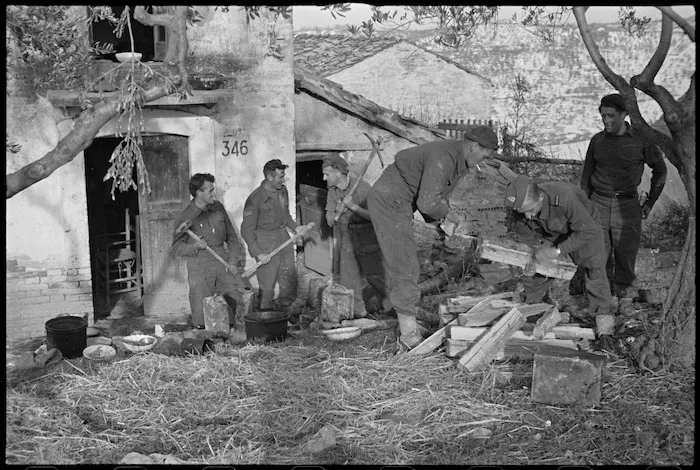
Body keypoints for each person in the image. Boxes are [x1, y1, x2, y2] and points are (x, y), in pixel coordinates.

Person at [367, 125, 499, 348]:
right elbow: (428, 202)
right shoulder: (444, 157)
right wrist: (450, 216)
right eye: (487, 154)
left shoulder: (459, 160)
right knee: (405, 263)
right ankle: (408, 336)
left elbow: (436, 196)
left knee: (404, 262)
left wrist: (444, 222)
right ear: (475, 147)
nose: (486, 159)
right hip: (390, 200)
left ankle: (404, 319)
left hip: (399, 201)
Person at [504, 175, 616, 351]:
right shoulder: (520, 208)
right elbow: (526, 238)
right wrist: (532, 256)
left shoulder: (564, 198)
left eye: (530, 210)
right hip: (550, 231)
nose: (527, 216)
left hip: (584, 227)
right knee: (538, 269)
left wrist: (557, 251)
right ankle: (531, 310)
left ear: (540, 197)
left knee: (594, 269)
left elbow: (586, 231)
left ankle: (605, 328)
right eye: (522, 212)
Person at [581, 93, 667, 315]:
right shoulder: (597, 141)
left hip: (627, 205)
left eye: (611, 115)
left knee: (625, 256)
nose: (606, 120)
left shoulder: (641, 141)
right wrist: (585, 206)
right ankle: (600, 303)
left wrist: (649, 203)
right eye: (602, 116)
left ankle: (626, 300)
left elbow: (660, 170)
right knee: (597, 255)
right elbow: (587, 175)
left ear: (624, 115)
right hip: (597, 203)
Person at [172, 173, 245, 331]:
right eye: (210, 190)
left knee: (234, 302)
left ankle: (233, 341)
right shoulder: (185, 216)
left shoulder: (217, 207)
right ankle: (206, 343)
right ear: (199, 192)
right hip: (199, 266)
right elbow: (177, 247)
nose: (214, 193)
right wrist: (195, 247)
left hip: (222, 261)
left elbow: (232, 237)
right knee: (202, 314)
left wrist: (232, 261)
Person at [323, 154, 388, 318]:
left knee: (376, 275)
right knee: (348, 278)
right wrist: (338, 209)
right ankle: (358, 313)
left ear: (338, 172)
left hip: (368, 236)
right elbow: (330, 221)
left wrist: (352, 206)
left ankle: (393, 307)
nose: (324, 178)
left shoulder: (363, 188)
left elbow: (376, 217)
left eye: (327, 174)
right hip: (347, 237)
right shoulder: (333, 192)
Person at [241, 159, 307, 310]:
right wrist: (258, 253)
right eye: (280, 177)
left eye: (283, 176)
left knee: (289, 278)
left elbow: (286, 216)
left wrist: (296, 228)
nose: (283, 180)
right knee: (267, 283)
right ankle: (265, 314)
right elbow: (246, 229)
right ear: (270, 177)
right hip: (265, 242)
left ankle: (286, 312)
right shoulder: (255, 198)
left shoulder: (282, 191)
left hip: (284, 238)